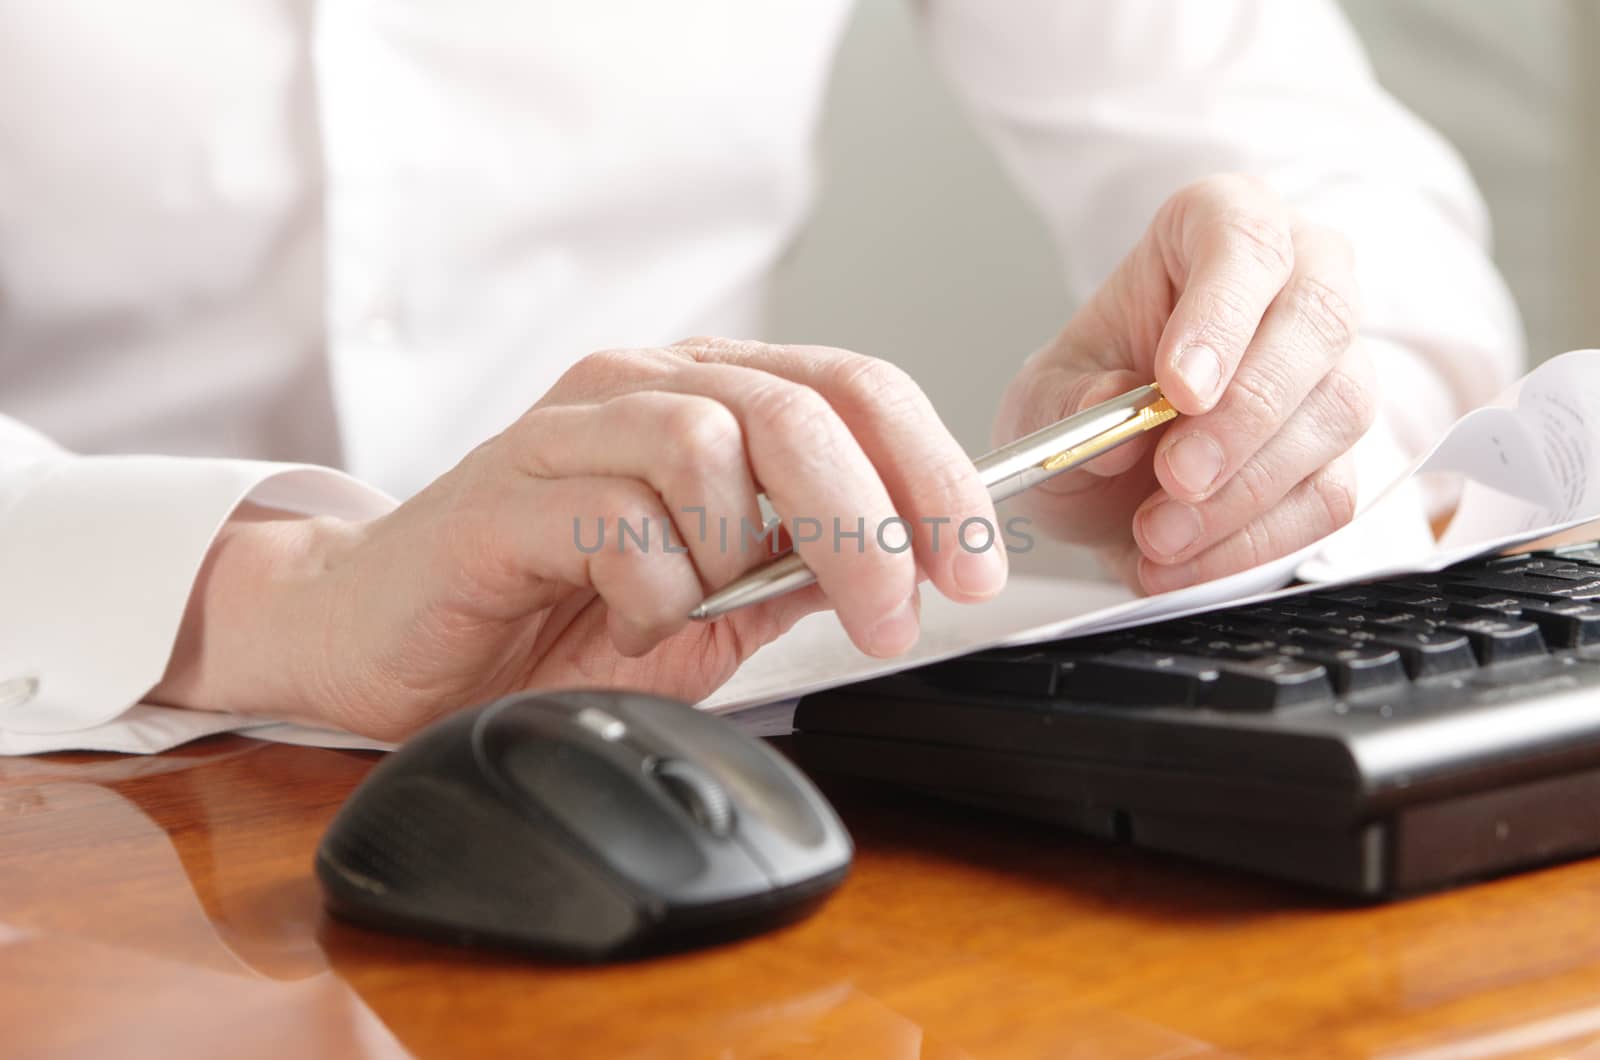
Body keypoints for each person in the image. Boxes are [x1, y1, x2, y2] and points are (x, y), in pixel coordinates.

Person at [0, 1, 1522, 753]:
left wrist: (1272, 421)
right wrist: (288, 599)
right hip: (64, 773)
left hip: (713, 736)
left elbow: (1310, 155)